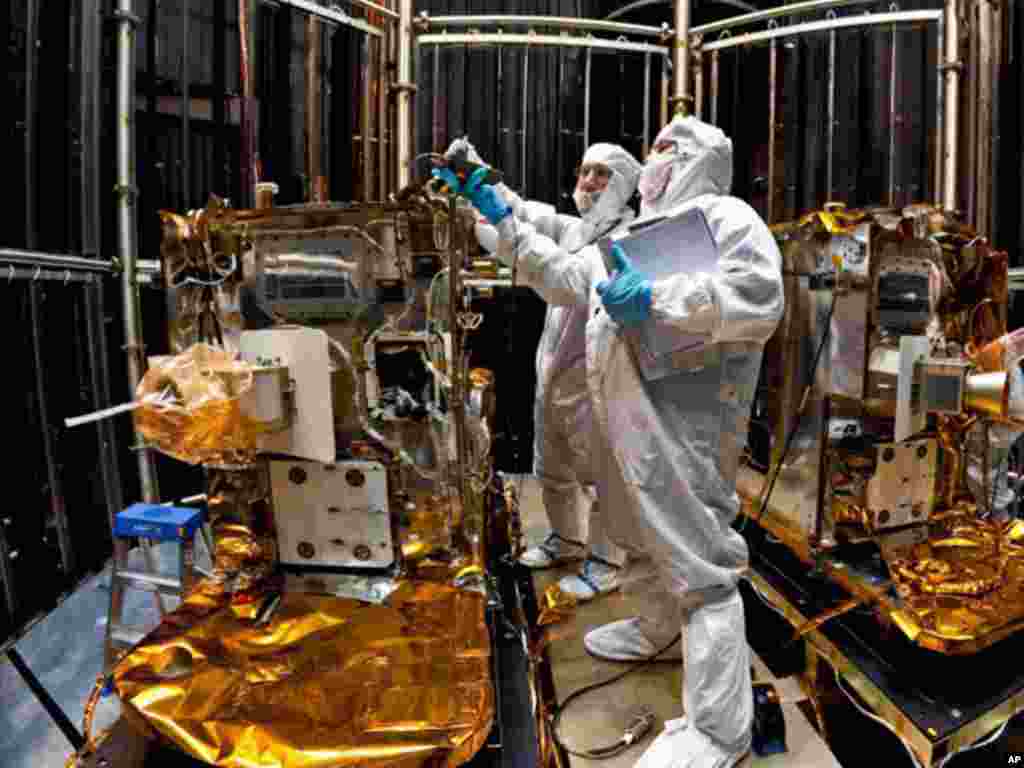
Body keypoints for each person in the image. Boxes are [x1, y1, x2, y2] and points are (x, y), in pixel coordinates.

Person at [446, 116, 784, 768]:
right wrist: (500, 216)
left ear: (697, 159)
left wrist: (659, 297)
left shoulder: (727, 217)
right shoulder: (635, 233)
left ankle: (721, 729)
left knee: (701, 568)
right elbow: (567, 277)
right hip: (627, 421)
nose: (654, 161)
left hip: (686, 429)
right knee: (634, 537)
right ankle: (658, 632)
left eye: (667, 150)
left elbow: (757, 297)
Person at [441, 138, 641, 601]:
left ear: (625, 185)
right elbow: (528, 215)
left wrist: (498, 219)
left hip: (597, 377)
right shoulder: (578, 229)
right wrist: (479, 176)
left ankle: (608, 561)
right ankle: (567, 540)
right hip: (555, 373)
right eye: (584, 171)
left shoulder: (623, 242)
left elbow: (561, 277)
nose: (587, 182)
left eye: (601, 174)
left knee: (602, 477)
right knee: (552, 467)